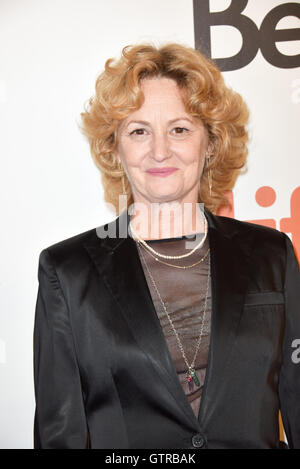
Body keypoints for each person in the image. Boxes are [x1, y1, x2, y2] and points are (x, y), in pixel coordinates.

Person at [33, 43, 300, 449]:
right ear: (114, 147)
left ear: (210, 143)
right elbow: (60, 436)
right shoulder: (67, 271)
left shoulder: (271, 254)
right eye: (139, 131)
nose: (160, 150)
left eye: (180, 129)